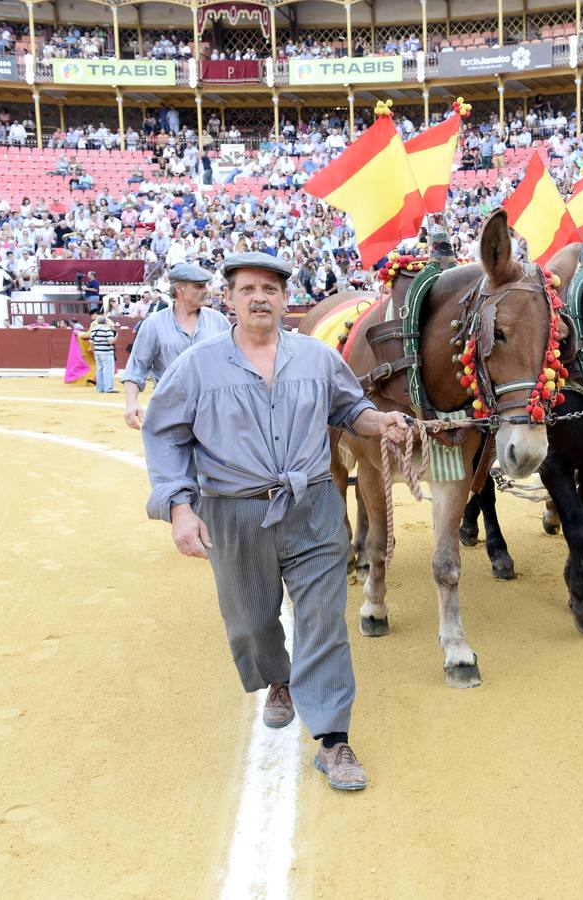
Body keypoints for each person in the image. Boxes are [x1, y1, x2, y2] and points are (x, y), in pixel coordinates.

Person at [141, 251, 411, 792]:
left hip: (313, 504)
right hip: (232, 510)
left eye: (270, 288)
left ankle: (333, 740)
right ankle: (277, 679)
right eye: (247, 289)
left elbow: (348, 407)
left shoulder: (315, 358)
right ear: (231, 300)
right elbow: (164, 433)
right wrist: (178, 507)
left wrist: (379, 419)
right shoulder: (197, 366)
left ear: (286, 299)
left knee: (323, 620)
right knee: (249, 620)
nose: (259, 297)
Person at [120, 264, 229, 429]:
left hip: (213, 411)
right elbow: (136, 368)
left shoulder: (219, 321)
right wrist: (131, 403)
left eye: (206, 285)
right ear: (179, 288)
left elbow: (235, 361)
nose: (206, 290)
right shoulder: (153, 324)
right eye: (199, 286)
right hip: (170, 410)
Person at [89, 313, 119, 393]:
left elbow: (91, 342)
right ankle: (108, 388)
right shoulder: (107, 330)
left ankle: (100, 388)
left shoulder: (94, 330)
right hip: (107, 352)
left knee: (99, 370)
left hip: (97, 352)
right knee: (108, 370)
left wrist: (94, 351)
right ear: (105, 322)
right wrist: (116, 336)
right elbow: (110, 342)